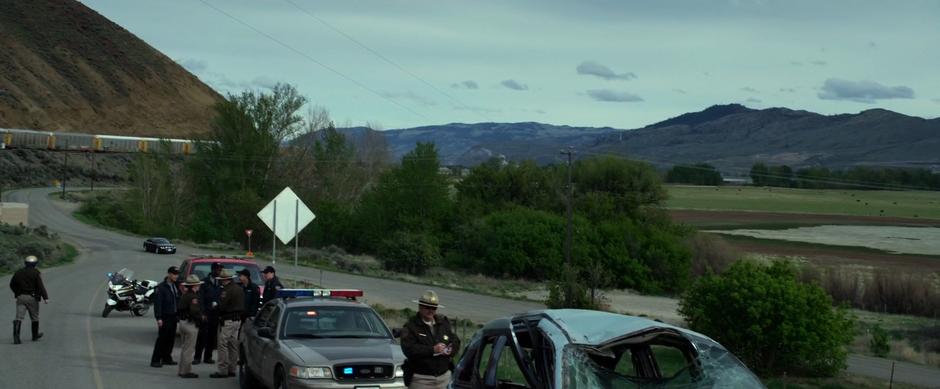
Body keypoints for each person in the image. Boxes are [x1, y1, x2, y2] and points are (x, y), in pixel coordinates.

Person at [400, 290, 461, 389]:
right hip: (421, 379)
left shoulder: (443, 323)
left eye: (434, 307)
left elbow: (455, 340)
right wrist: (432, 350)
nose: (431, 310)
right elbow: (409, 349)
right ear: (420, 306)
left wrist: (451, 349)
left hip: (444, 378)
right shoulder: (411, 326)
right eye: (427, 307)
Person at [210, 269, 244, 379]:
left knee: (222, 344)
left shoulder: (227, 290)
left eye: (222, 280)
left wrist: (216, 306)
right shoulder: (239, 289)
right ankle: (232, 369)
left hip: (228, 320)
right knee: (233, 345)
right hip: (237, 320)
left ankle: (222, 369)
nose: (221, 282)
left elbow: (222, 306)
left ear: (226, 280)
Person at [9, 255, 49, 344]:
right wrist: (45, 297)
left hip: (21, 297)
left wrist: (17, 292)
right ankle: (35, 335)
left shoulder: (18, 272)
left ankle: (16, 338)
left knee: (19, 317)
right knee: (34, 317)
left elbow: (12, 284)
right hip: (32, 298)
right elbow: (40, 286)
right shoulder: (36, 273)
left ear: (25, 263)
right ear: (35, 263)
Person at [150, 266, 181, 368]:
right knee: (162, 339)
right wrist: (158, 318)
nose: (176, 276)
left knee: (170, 339)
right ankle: (155, 360)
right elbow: (158, 304)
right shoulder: (161, 288)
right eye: (174, 274)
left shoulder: (176, 285)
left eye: (177, 274)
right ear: (169, 274)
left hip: (173, 316)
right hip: (165, 317)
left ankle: (167, 358)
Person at [194, 262, 223, 364]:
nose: (220, 272)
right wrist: (202, 313)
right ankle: (197, 357)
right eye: (218, 270)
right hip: (206, 313)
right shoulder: (204, 283)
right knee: (202, 336)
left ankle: (208, 357)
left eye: (221, 270)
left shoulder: (221, 282)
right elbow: (200, 299)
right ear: (213, 270)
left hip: (215, 313)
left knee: (212, 336)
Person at [177, 275, 204, 378]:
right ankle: (185, 371)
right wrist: (200, 320)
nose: (199, 286)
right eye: (198, 285)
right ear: (194, 286)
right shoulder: (193, 297)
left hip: (183, 322)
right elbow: (194, 311)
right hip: (190, 324)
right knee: (189, 349)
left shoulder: (185, 294)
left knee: (184, 348)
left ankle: (182, 370)